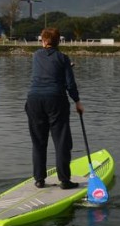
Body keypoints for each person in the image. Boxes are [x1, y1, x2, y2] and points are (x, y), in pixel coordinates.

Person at [25, 28, 83, 189]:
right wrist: (77, 101)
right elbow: (70, 84)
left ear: (43, 41)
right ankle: (64, 180)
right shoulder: (63, 58)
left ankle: (39, 179)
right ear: (59, 42)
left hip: (34, 100)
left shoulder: (36, 56)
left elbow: (47, 67)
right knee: (61, 141)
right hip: (56, 100)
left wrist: (66, 66)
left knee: (39, 142)